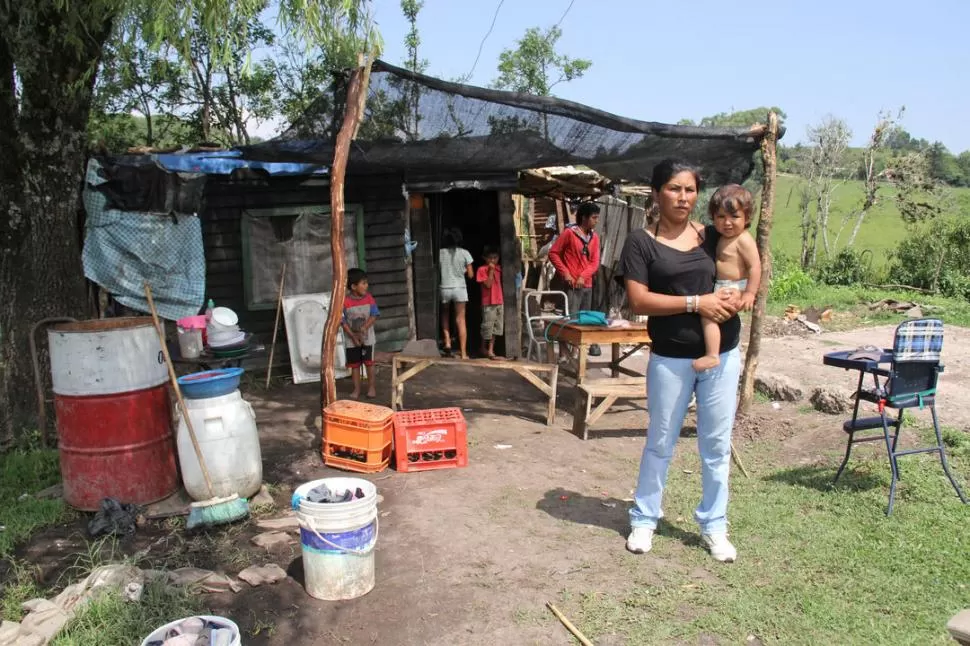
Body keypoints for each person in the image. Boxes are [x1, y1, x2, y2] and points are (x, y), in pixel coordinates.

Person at [616, 159, 743, 563]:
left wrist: (740, 296)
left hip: (722, 354)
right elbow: (638, 300)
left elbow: (743, 266)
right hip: (671, 358)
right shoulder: (641, 242)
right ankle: (645, 517)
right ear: (656, 193)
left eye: (690, 190)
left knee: (716, 444)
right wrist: (696, 302)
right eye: (674, 188)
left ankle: (714, 525)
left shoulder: (711, 235)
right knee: (660, 440)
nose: (683, 197)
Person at [693, 184, 761, 372]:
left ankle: (712, 355)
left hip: (733, 287)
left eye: (734, 217)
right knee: (708, 315)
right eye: (721, 217)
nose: (727, 222)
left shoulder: (743, 239)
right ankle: (712, 353)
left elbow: (755, 267)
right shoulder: (721, 237)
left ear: (747, 218)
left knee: (709, 316)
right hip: (722, 286)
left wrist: (749, 293)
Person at [548, 202, 603, 355]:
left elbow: (595, 262)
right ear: (584, 218)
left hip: (587, 285)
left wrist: (583, 276)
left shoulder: (595, 237)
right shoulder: (569, 233)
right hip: (571, 285)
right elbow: (553, 253)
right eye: (594, 217)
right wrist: (566, 273)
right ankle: (564, 353)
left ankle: (577, 353)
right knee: (569, 320)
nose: (596, 221)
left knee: (584, 320)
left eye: (597, 217)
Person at [342, 268, 380, 399]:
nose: (366, 286)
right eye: (363, 283)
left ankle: (371, 388)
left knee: (369, 363)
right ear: (353, 286)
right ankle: (356, 389)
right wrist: (352, 336)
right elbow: (342, 321)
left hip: (367, 338)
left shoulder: (369, 298)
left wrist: (365, 327)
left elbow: (374, 315)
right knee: (355, 365)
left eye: (366, 283)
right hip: (351, 339)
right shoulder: (345, 302)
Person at [439, 227, 474, 359]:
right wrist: (463, 271)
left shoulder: (440, 253)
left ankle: (447, 341)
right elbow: (471, 275)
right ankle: (464, 353)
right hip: (460, 289)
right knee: (460, 319)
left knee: (445, 314)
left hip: (445, 288)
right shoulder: (465, 253)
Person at [476, 246, 504, 360]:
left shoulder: (500, 268)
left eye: (495, 258)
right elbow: (488, 284)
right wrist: (491, 271)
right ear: (484, 258)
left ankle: (491, 349)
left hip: (499, 301)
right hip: (488, 302)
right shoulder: (482, 269)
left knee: (496, 327)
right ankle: (483, 348)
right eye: (490, 258)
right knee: (487, 326)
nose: (493, 260)